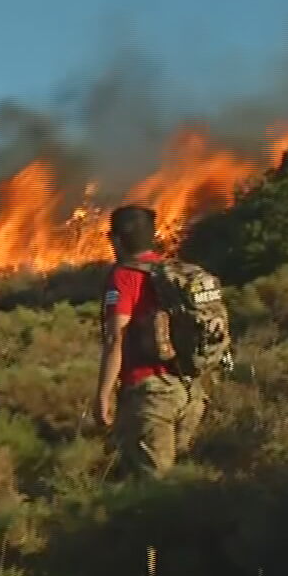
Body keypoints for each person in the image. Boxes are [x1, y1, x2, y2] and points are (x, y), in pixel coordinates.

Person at [95, 204, 205, 479]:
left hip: (151, 395)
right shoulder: (172, 273)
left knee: (155, 487)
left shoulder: (124, 276)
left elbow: (114, 336)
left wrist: (103, 394)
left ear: (117, 239)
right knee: (182, 480)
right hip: (190, 392)